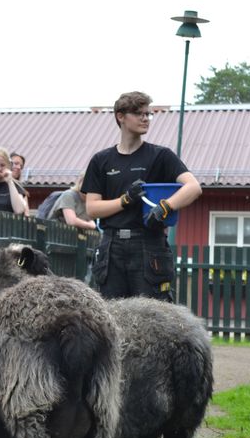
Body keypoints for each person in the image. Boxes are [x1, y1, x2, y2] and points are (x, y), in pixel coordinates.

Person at [83, 91, 201, 301]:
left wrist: (165, 207)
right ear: (120, 116)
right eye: (139, 113)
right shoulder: (101, 160)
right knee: (112, 318)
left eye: (148, 114)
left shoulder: (160, 155)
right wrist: (125, 200)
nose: (145, 118)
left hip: (149, 245)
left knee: (154, 319)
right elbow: (92, 208)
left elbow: (193, 187)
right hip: (111, 248)